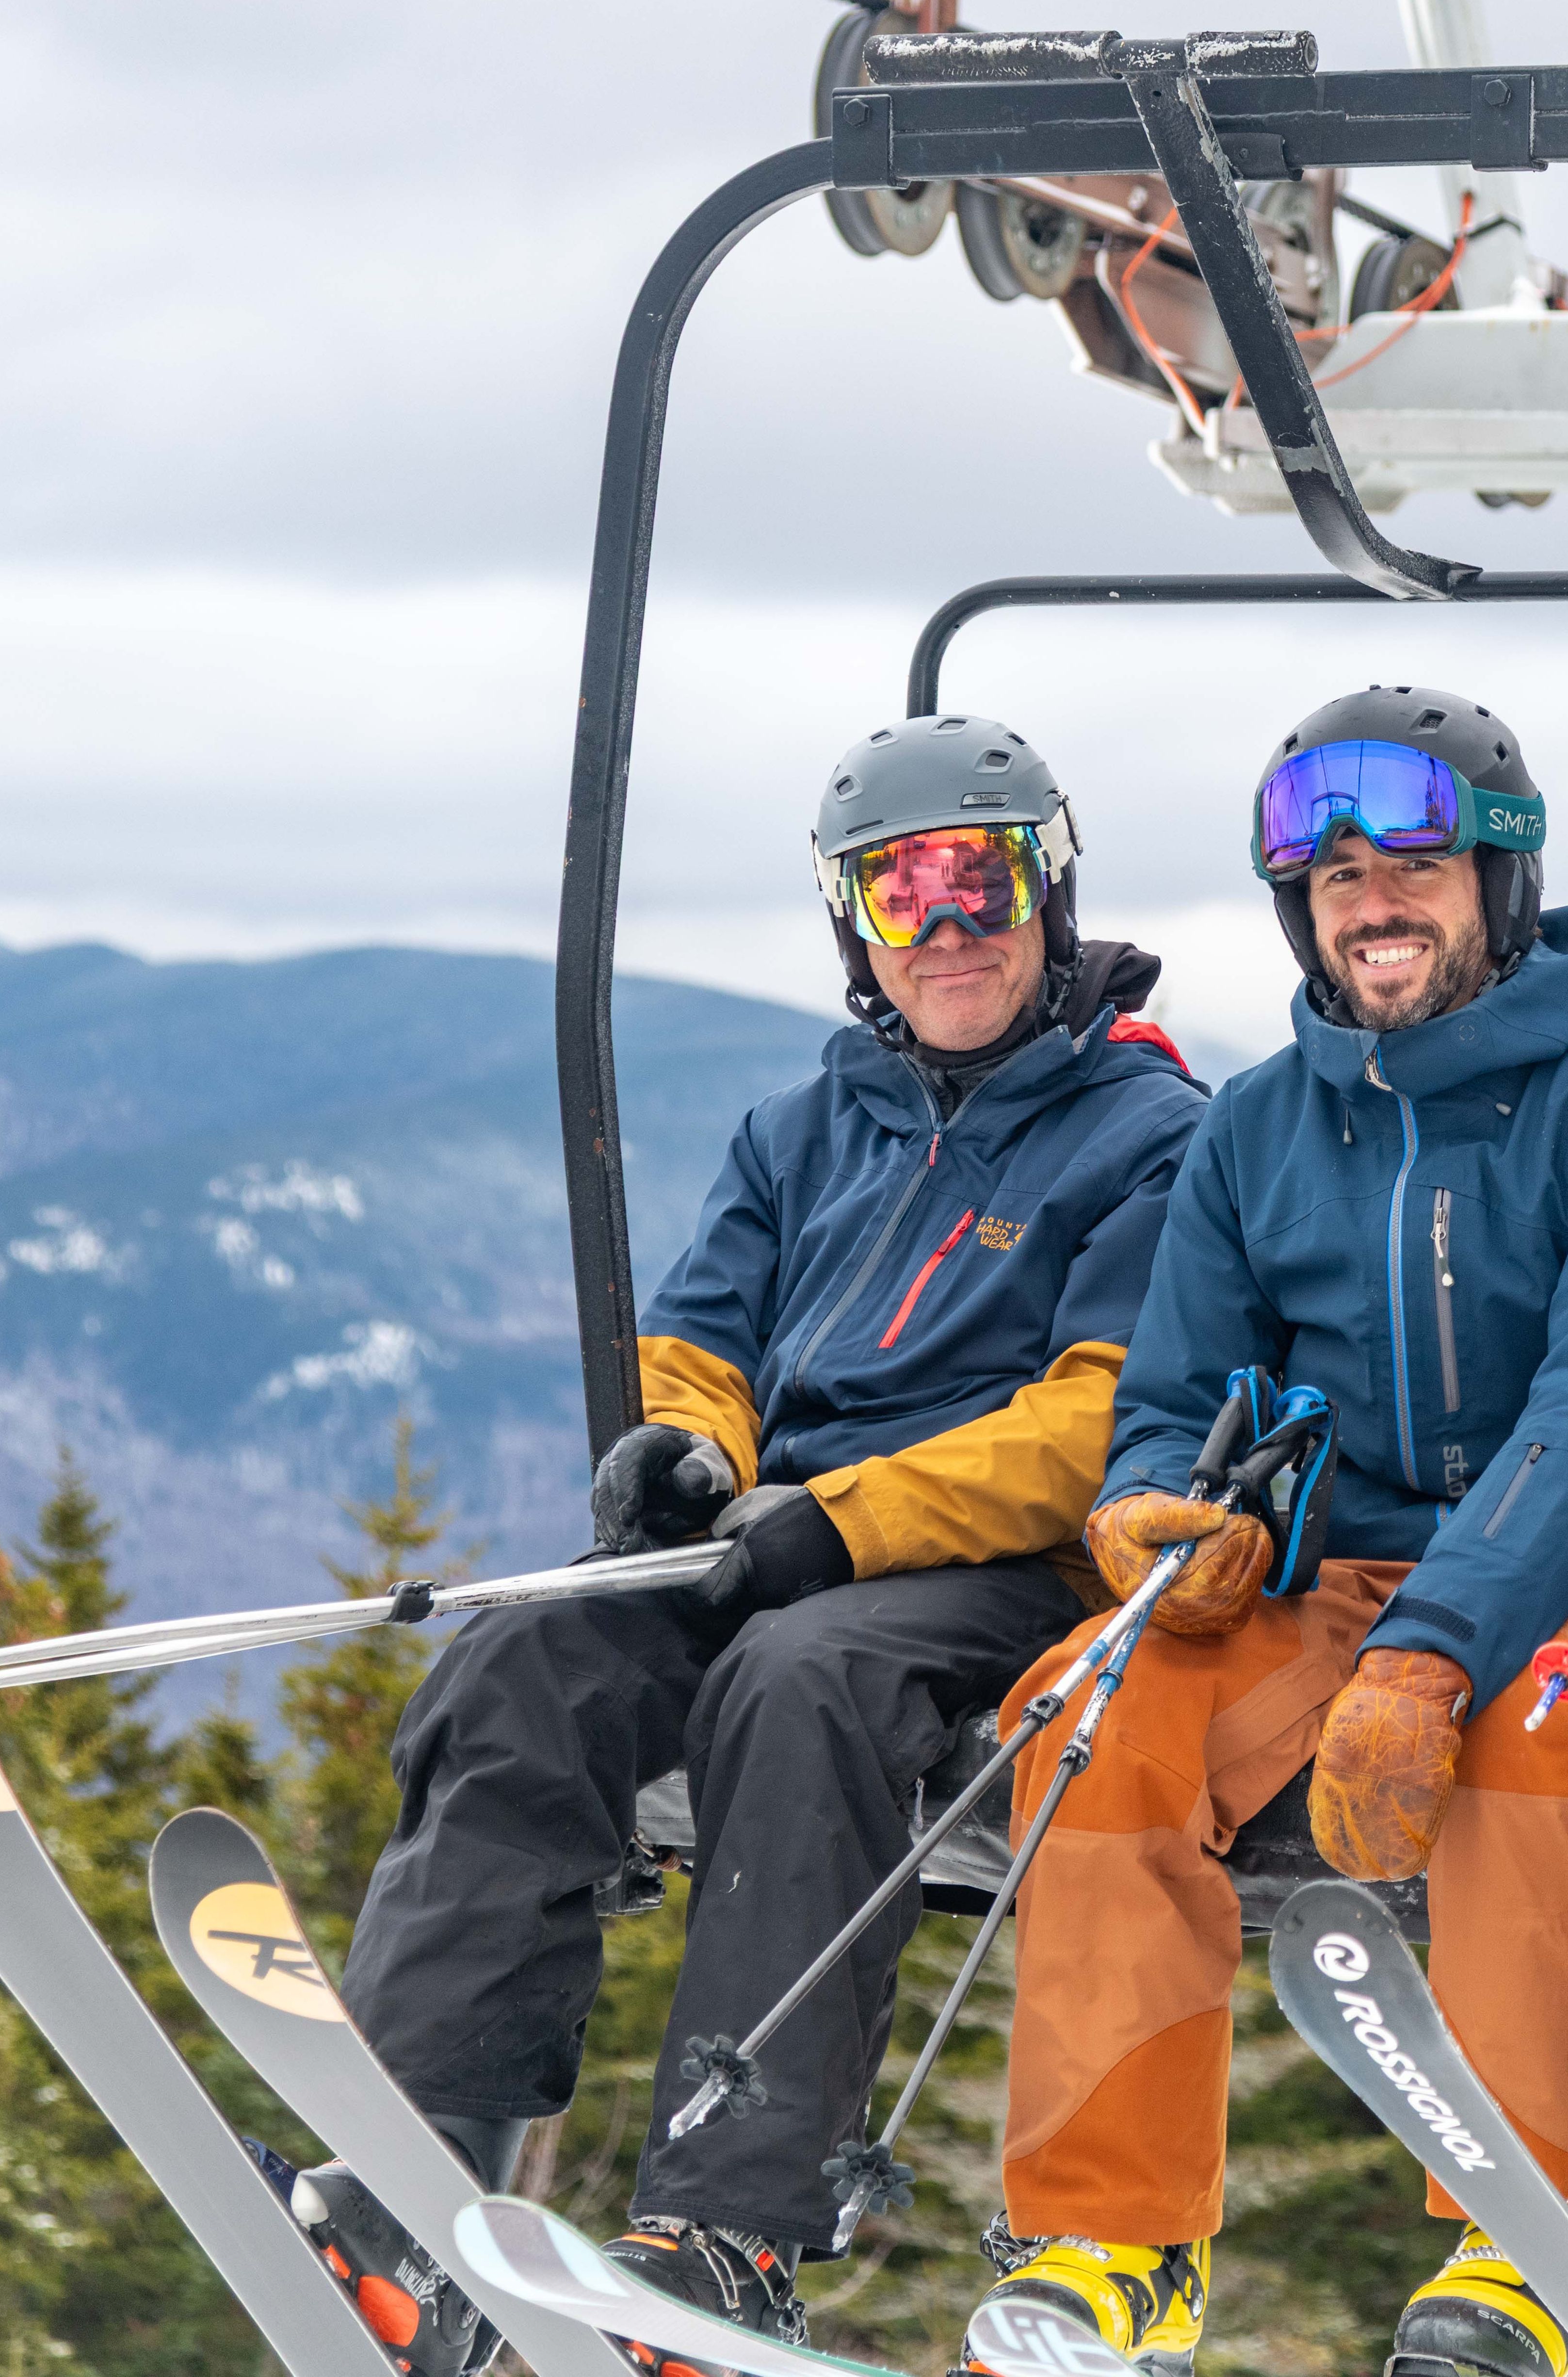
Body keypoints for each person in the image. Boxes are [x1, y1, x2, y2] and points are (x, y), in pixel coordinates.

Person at [289, 716, 1207, 2375]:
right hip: (779, 1537)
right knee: (528, 1658)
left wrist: (840, 1524)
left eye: (980, 880)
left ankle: (729, 2233)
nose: (948, 930)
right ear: (852, 920)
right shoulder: (809, 1124)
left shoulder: (1148, 1134)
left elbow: (1096, 1417)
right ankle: (428, 2158)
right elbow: (704, 1331)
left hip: (992, 1569)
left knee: (801, 1685)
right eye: (899, 892)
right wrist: (690, 1449)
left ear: (1050, 888)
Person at [960, 687, 1568, 2377]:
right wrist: (1159, 1518)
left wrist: (1435, 1644)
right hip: (1338, 1596)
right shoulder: (1262, 1124)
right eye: (1331, 884)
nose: (1368, 906)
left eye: (1409, 868)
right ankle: (1114, 2252)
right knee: (1091, 1717)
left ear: (1499, 880)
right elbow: (1175, 1390)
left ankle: (1536, 2241)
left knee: (1537, 1726)